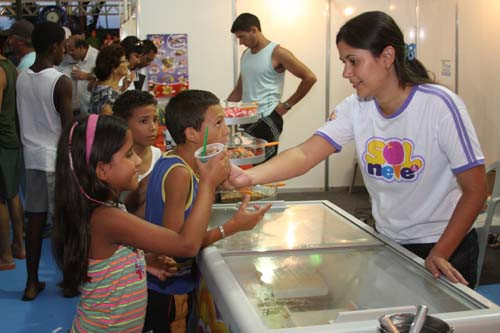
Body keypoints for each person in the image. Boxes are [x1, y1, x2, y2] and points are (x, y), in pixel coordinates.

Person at [228, 11, 487, 287]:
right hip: (389, 239)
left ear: (387, 57)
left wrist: (440, 252)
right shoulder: (355, 107)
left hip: (446, 244)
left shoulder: (440, 105)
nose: (345, 73)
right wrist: (248, 176)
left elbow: (477, 189)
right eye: (343, 62)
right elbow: (305, 154)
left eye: (353, 61)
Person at [52, 114, 230, 332]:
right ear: (102, 170)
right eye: (128, 154)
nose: (137, 161)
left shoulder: (107, 208)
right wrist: (208, 185)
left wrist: (141, 262)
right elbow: (187, 245)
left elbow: (105, 264)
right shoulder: (106, 218)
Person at [143, 90, 271, 333]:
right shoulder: (179, 174)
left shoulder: (175, 161)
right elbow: (175, 249)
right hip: (169, 291)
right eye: (219, 123)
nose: (226, 130)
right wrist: (232, 226)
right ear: (192, 134)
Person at [16, 21, 73, 300]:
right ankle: (70, 280)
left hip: (31, 159)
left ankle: (31, 283)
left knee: (35, 222)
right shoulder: (60, 81)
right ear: (54, 47)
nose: (65, 51)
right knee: (64, 222)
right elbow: (68, 129)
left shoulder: (22, 77)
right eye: (63, 46)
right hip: (56, 159)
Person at [227, 13, 317, 160]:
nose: (240, 42)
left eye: (242, 37)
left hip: (268, 117)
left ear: (254, 30)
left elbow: (309, 78)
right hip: (247, 119)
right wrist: (221, 110)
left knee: (264, 167)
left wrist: (286, 105)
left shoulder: (278, 53)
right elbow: (239, 90)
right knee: (246, 165)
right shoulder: (246, 55)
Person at [113, 90, 161, 218]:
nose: (153, 127)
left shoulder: (159, 156)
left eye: (155, 120)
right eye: (144, 121)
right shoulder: (114, 161)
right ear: (123, 123)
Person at [0, 47, 25, 271]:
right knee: (13, 193)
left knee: (1, 199)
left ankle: (5, 256)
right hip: (12, 138)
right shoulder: (11, 67)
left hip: (2, 141)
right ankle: (18, 245)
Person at [88, 44, 128, 114]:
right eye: (124, 61)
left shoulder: (101, 86)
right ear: (114, 68)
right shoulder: (107, 94)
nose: (127, 64)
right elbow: (109, 123)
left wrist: (122, 89)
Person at [66, 37, 99, 114]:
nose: (69, 53)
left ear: (81, 48)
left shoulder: (97, 56)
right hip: (80, 108)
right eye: (68, 51)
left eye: (71, 50)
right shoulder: (76, 57)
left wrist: (88, 76)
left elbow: (105, 77)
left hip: (92, 108)